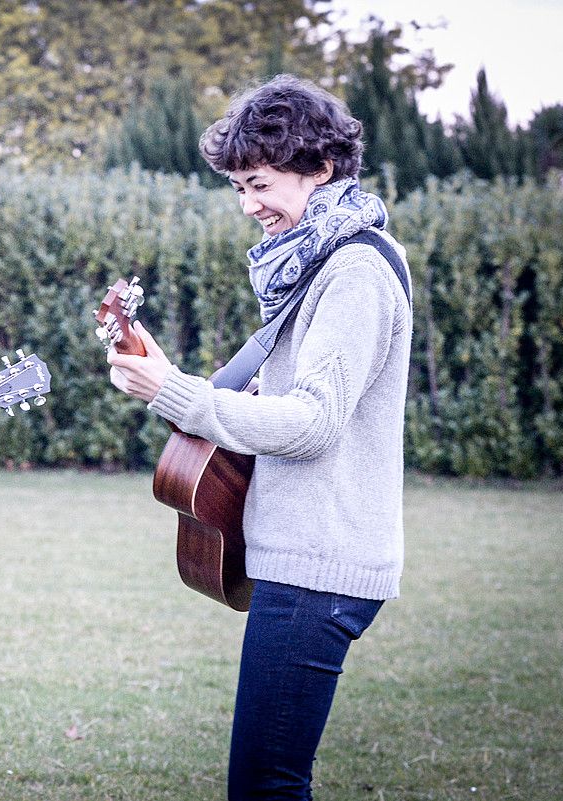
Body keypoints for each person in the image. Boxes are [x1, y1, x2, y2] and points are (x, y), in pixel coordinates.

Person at [107, 74, 412, 799]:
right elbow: (268, 402)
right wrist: (167, 379)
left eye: (260, 183)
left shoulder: (356, 269)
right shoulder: (317, 263)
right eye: (238, 188)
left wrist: (176, 390)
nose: (249, 206)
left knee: (266, 784)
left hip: (321, 561)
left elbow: (312, 423)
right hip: (304, 556)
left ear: (323, 169)